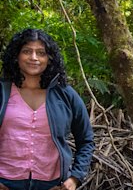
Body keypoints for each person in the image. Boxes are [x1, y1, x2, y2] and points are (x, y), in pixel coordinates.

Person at [0, 29, 94, 190]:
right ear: (16, 56)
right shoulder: (2, 92)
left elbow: (86, 140)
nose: (34, 57)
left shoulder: (65, 94)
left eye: (41, 53)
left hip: (51, 184)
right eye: (27, 51)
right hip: (5, 181)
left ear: (49, 58)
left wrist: (75, 177)